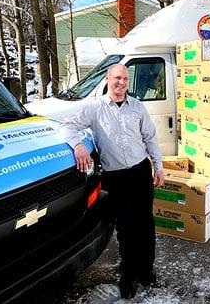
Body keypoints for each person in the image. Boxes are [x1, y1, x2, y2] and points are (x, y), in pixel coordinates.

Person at [59, 64, 164, 299]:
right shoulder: (94, 108)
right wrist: (77, 146)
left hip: (140, 173)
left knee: (146, 225)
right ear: (108, 79)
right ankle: (128, 277)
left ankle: (147, 273)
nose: (122, 83)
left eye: (126, 79)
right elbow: (67, 126)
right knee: (126, 228)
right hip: (116, 178)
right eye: (117, 78)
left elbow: (151, 138)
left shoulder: (137, 107)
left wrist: (159, 167)